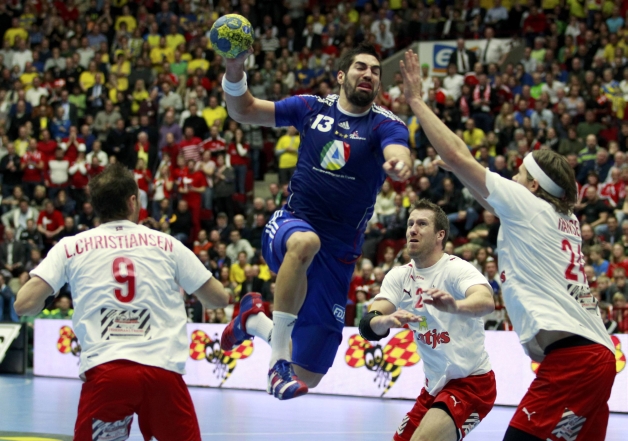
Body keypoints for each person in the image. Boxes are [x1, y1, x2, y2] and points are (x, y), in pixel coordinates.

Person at [399, 50, 616, 441]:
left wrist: (416, 100)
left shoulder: (528, 205)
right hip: (595, 355)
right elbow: (475, 181)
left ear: (533, 185)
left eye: (518, 173)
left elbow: (458, 155)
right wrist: (462, 171)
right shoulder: (561, 218)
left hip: (574, 359)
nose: (511, 178)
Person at [220, 43, 412, 400]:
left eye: (374, 70)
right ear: (341, 76)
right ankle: (278, 363)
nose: (368, 73)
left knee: (310, 374)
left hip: (339, 254)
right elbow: (244, 110)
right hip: (292, 223)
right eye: (360, 67)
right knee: (306, 242)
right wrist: (234, 69)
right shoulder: (311, 107)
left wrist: (400, 162)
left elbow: (398, 148)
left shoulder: (385, 125)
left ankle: (251, 319)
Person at [14, 164, 229, 440]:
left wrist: (56, 290)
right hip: (161, 373)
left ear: (96, 207)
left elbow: (23, 304)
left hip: (107, 372)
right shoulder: (167, 244)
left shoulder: (71, 246)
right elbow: (218, 298)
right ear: (132, 201)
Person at [362, 200, 496, 441]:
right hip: (433, 388)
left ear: (439, 235)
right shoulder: (399, 276)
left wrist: (456, 306)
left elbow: (486, 300)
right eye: (410, 223)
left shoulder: (457, 269)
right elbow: (369, 323)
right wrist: (384, 322)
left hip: (472, 383)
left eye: (422, 224)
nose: (413, 229)